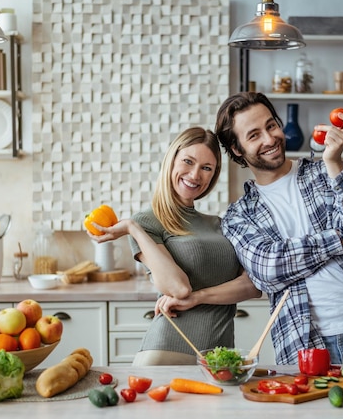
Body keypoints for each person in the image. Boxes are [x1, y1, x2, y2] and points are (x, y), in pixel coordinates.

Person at [214, 92, 343, 365]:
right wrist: (336, 239)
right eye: (254, 135)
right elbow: (269, 270)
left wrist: (334, 162)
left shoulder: (326, 172)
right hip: (303, 343)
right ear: (237, 149)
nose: (270, 139)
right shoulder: (239, 215)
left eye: (271, 126)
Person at [87, 126, 261, 366]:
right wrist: (133, 228)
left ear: (213, 175)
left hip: (219, 357)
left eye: (206, 168)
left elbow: (253, 286)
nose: (195, 175)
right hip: (168, 352)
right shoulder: (146, 223)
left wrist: (199, 297)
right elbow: (178, 289)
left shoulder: (219, 224)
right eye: (188, 162)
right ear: (172, 160)